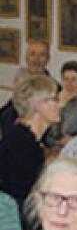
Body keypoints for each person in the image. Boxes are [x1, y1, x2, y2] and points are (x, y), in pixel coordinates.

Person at [0, 76, 60, 215]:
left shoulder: (25, 137)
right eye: (55, 99)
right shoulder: (22, 144)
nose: (59, 104)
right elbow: (22, 196)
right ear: (38, 105)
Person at [0, 40, 51, 132]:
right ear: (26, 58)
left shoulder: (53, 89)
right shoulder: (21, 76)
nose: (36, 59)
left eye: (41, 55)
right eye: (32, 54)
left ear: (47, 59)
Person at [48, 61, 77, 145]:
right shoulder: (56, 98)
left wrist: (60, 106)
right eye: (65, 79)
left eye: (73, 80)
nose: (68, 84)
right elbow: (45, 134)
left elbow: (58, 134)